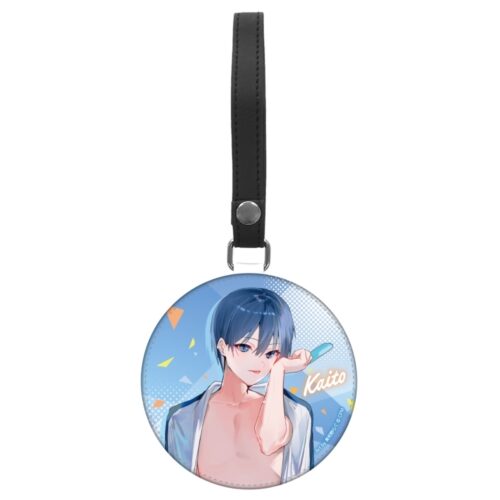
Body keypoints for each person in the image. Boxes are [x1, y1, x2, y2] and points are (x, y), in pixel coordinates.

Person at [165, 287, 314, 488]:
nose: (258, 362)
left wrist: (279, 370)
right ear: (222, 346)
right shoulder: (183, 420)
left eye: (271, 353)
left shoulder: (295, 414)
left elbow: (270, 442)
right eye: (245, 347)